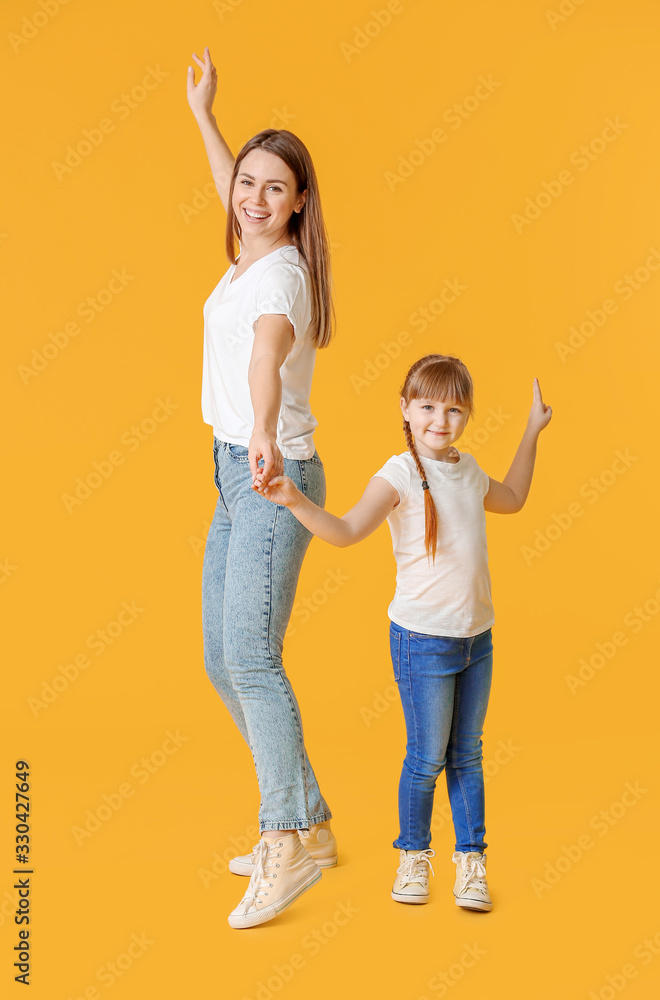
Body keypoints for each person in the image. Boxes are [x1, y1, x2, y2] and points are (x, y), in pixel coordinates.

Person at [253, 354, 552, 911]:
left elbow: (512, 498)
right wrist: (293, 497)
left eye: (455, 408)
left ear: (467, 415)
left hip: (477, 639)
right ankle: (413, 856)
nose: (442, 418)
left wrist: (532, 430)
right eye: (428, 406)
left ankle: (472, 864)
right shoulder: (397, 476)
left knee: (467, 755)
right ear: (406, 410)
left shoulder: (466, 469)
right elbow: (344, 532)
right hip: (423, 642)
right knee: (426, 757)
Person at [187, 47, 338, 929]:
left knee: (251, 659)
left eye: (273, 189)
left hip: (269, 474)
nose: (252, 197)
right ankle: (310, 820)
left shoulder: (280, 274)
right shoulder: (248, 249)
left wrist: (262, 435)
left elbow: (266, 356)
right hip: (232, 473)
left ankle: (283, 840)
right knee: (221, 660)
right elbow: (226, 183)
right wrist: (206, 115)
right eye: (248, 183)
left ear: (298, 204)